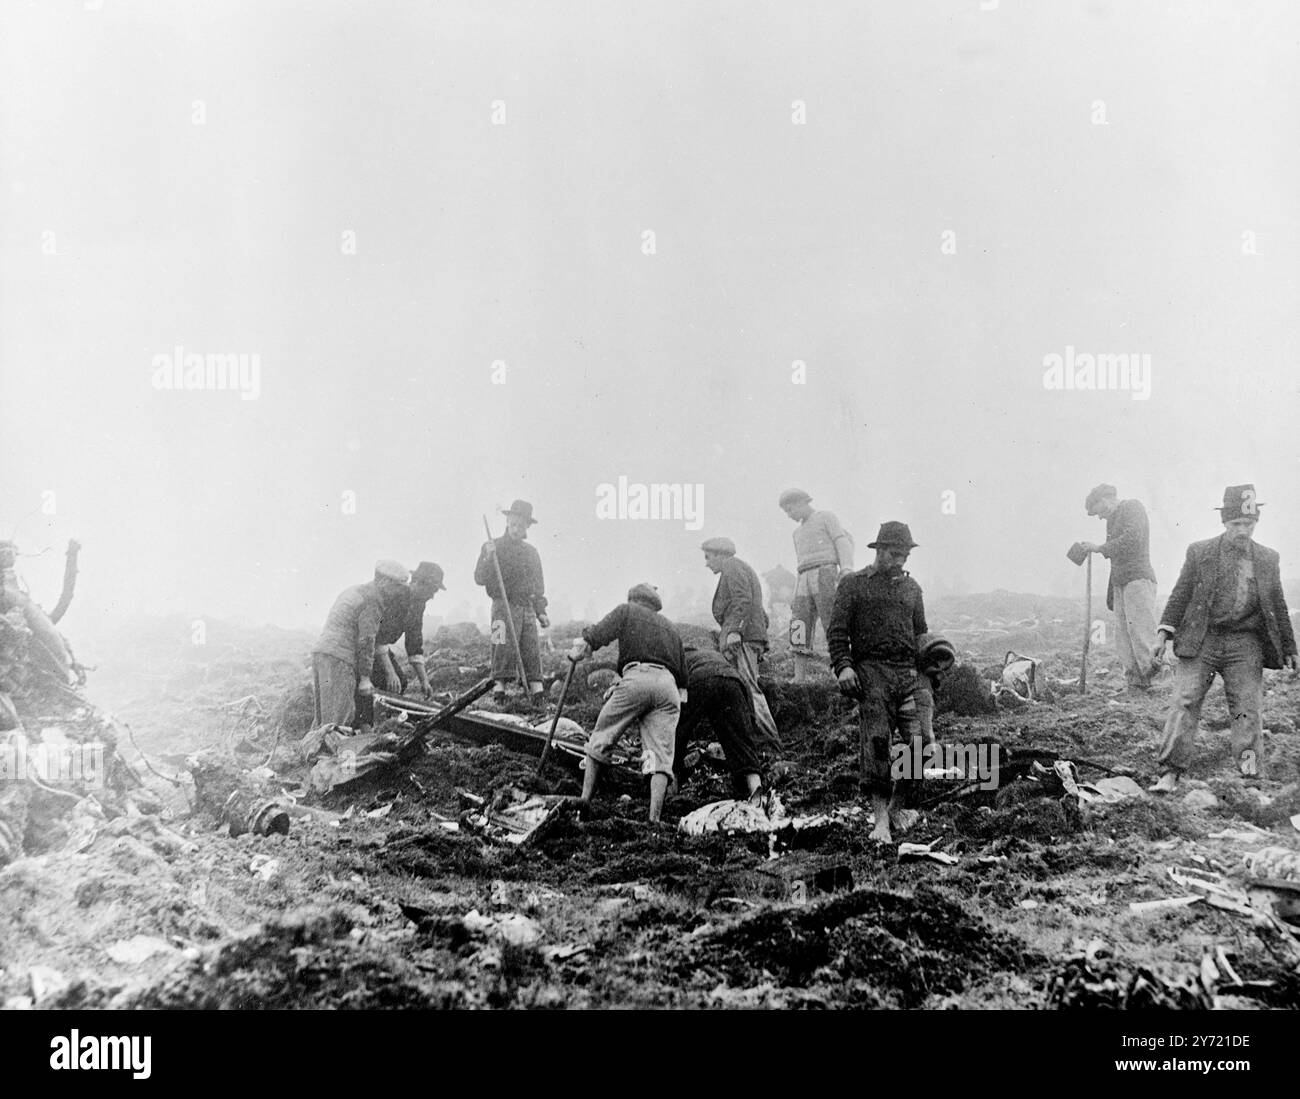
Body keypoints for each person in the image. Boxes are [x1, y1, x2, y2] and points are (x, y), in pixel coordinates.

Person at [1149, 485, 1297, 792]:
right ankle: (1171, 772)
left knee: (1247, 708)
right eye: (1236, 525)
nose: (1243, 531)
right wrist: (1164, 633)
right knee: (1185, 701)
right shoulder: (1200, 551)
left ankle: (1249, 777)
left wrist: (1290, 647)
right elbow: (1181, 593)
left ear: (1256, 522)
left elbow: (1278, 604)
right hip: (1203, 638)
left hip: (1246, 643)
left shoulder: (1268, 558)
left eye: (1248, 524)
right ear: (1224, 523)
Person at [828, 521, 927, 844]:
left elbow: (921, 633)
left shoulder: (912, 589)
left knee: (920, 743)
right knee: (877, 742)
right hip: (871, 673)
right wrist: (844, 666)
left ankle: (898, 807)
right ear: (879, 550)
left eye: (905, 556)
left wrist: (927, 674)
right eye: (894, 554)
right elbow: (837, 632)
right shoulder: (854, 585)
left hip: (907, 674)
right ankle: (880, 820)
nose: (900, 561)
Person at [569, 584, 687, 823]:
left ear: (634, 599)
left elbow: (599, 633)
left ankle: (584, 804)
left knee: (601, 737)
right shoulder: (670, 627)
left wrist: (583, 645)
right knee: (660, 755)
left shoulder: (627, 610)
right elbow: (683, 675)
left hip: (637, 677)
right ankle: (654, 819)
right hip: (668, 686)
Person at [672, 642, 783, 800]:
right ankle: (757, 793)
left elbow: (675, 699)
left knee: (676, 741)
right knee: (742, 745)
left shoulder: (680, 659)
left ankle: (670, 795)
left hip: (699, 679)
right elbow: (744, 696)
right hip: (733, 681)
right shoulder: (713, 655)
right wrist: (747, 725)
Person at [1077, 484, 1160, 692]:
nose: (1100, 517)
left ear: (1106, 500)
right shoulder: (1112, 520)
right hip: (1121, 582)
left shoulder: (1133, 507)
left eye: (1099, 511)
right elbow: (1115, 558)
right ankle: (1136, 682)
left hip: (1138, 579)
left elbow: (1133, 538)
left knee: (1141, 631)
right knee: (1123, 635)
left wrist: (1099, 548)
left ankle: (1160, 680)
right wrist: (1112, 594)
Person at [310, 560, 411, 730]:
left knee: (323, 716)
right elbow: (367, 640)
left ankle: (312, 753)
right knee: (338, 718)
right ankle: (331, 756)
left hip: (323, 653)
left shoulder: (355, 590)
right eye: (396, 587)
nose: (397, 593)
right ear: (384, 582)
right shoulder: (373, 600)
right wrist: (365, 678)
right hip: (340, 659)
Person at [701, 537, 780, 745]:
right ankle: (757, 737)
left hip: (742, 638)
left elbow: (743, 599)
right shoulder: (737, 568)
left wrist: (735, 630)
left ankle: (769, 739)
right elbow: (758, 610)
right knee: (745, 686)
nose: (706, 563)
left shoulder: (733, 567)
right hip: (748, 636)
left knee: (747, 687)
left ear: (720, 554)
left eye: (708, 557)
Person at [475, 500, 549, 706]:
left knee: (530, 646)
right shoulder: (492, 546)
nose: (517, 529)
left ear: (528, 527)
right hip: (501, 606)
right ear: (507, 521)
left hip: (526, 608)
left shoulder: (531, 553)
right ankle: (499, 688)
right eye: (513, 524)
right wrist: (487, 558)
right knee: (500, 642)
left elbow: (537, 587)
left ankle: (536, 689)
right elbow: (479, 578)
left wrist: (541, 611)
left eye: (521, 525)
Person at [779, 489, 855, 682]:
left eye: (791, 509)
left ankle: (840, 667)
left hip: (825, 573)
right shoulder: (796, 533)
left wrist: (846, 568)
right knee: (798, 623)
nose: (790, 515)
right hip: (803, 576)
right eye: (786, 512)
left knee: (832, 621)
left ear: (803, 502)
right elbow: (800, 563)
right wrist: (796, 591)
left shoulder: (825, 517)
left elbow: (843, 542)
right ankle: (799, 676)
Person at [372, 562, 446, 699]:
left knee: (400, 683)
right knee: (388, 683)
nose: (432, 596)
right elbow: (378, 637)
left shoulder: (418, 605)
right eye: (432, 590)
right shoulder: (397, 596)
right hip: (364, 646)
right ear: (419, 583)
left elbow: (414, 643)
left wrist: (424, 681)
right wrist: (390, 673)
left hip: (378, 648)